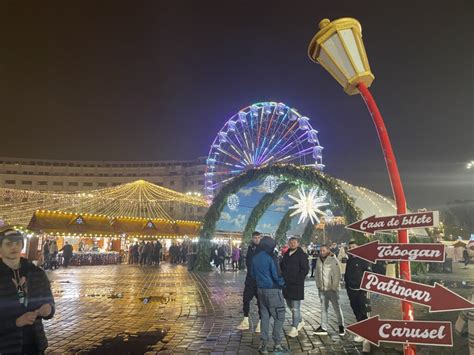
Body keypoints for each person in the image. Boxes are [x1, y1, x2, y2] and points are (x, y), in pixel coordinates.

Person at [0, 228, 55, 354]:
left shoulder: (36, 273)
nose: (14, 247)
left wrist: (49, 310)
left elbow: (49, 301)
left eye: (18, 243)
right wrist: (15, 323)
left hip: (35, 344)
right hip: (6, 346)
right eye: (8, 244)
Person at [251, 236, 287, 354]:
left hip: (260, 290)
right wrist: (283, 284)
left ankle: (263, 345)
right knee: (279, 316)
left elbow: (252, 273)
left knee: (265, 317)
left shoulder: (255, 257)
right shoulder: (272, 257)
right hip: (273, 290)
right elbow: (277, 275)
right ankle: (277, 344)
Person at [280, 236, 309, 337]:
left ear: (298, 243)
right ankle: (300, 321)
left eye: (294, 242)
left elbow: (305, 270)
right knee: (290, 306)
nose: (292, 244)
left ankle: (294, 328)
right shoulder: (286, 254)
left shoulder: (302, 255)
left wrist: (298, 279)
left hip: (296, 285)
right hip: (287, 285)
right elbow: (282, 267)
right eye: (291, 242)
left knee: (295, 308)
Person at [314, 244, 345, 336]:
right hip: (322, 289)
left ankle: (341, 326)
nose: (322, 252)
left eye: (324, 250)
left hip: (332, 289)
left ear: (328, 250)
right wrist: (318, 285)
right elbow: (316, 273)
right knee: (323, 309)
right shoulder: (319, 260)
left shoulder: (333, 259)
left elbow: (337, 274)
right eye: (321, 250)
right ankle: (323, 327)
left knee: (337, 308)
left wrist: (334, 287)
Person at [345, 240, 371, 343]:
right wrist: (347, 286)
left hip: (361, 290)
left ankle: (365, 333)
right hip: (351, 290)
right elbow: (347, 274)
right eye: (350, 247)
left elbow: (369, 274)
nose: (352, 249)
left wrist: (365, 288)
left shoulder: (364, 260)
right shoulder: (349, 260)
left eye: (354, 247)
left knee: (363, 311)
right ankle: (361, 330)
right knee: (356, 310)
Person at [237, 232, 262, 333]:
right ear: (252, 238)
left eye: (258, 238)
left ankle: (261, 322)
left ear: (260, 238)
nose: (256, 239)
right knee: (246, 299)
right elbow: (248, 261)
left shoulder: (263, 249)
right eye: (254, 238)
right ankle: (245, 320)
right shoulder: (250, 248)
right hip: (250, 279)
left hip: (260, 280)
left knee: (261, 302)